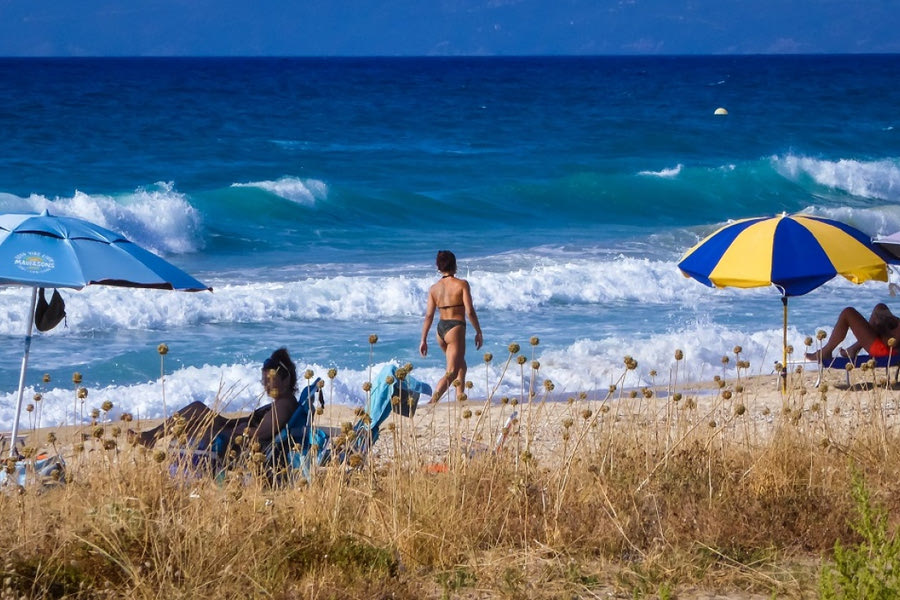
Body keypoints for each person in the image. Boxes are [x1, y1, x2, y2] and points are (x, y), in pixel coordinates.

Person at [131, 347, 300, 449]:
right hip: (235, 430)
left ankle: (151, 438)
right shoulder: (283, 402)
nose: (266, 386)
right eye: (264, 381)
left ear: (286, 379)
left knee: (192, 424)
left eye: (271, 381)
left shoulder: (284, 405)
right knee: (196, 409)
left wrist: (238, 428)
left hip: (235, 441)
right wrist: (235, 422)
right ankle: (151, 437)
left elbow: (259, 435)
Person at [419, 250, 483, 403]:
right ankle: (432, 402)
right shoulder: (462, 284)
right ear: (454, 265)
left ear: (439, 267)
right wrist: (478, 331)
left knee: (461, 364)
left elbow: (429, 315)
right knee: (452, 372)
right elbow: (470, 311)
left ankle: (460, 398)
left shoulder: (434, 288)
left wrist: (423, 339)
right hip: (455, 328)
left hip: (440, 329)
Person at [805, 303, 900, 362]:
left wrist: (883, 327)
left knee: (848, 312)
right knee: (880, 307)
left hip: (887, 352)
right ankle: (853, 349)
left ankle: (826, 351)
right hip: (890, 348)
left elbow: (892, 342)